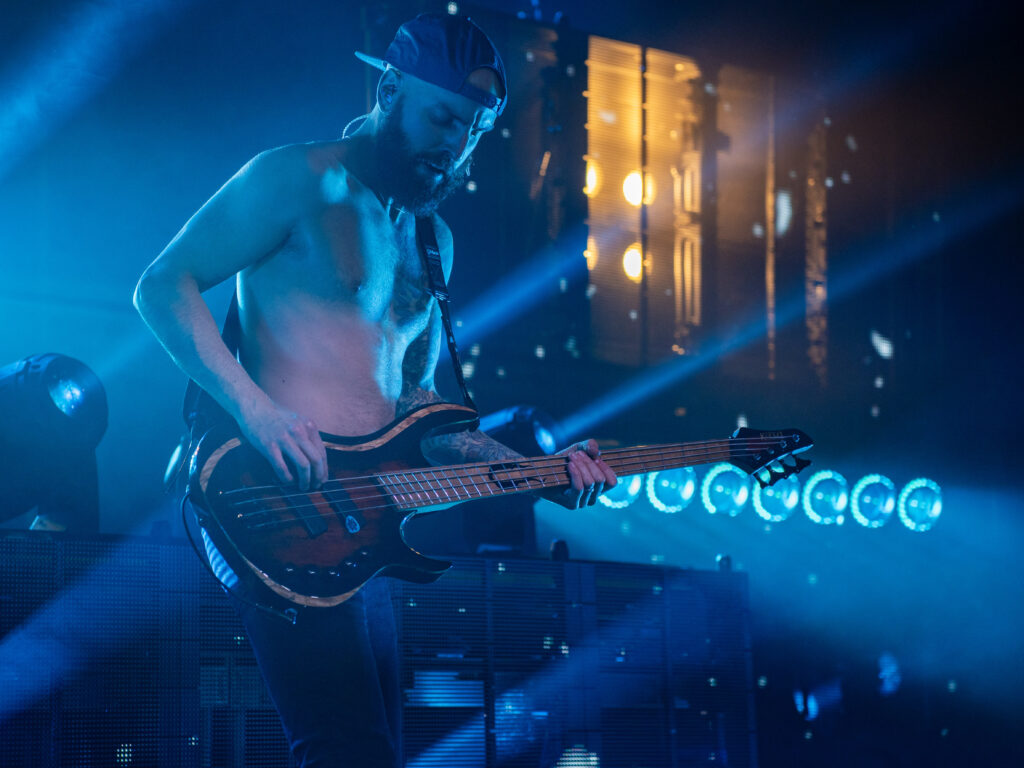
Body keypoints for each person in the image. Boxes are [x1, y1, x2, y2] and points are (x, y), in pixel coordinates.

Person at [133, 13, 616, 768]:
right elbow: (163, 286)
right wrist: (258, 412)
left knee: (380, 750)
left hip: (366, 528)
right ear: (390, 89)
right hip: (273, 506)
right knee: (347, 749)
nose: (455, 146)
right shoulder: (298, 179)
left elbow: (420, 411)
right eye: (443, 118)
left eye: (474, 132)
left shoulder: (434, 241)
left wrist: (543, 474)